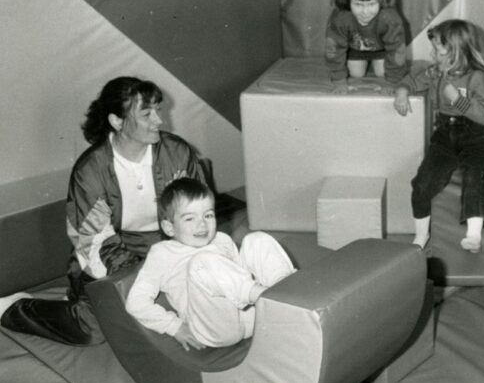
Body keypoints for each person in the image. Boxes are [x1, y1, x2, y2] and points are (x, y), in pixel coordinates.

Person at [0, 77, 207, 345]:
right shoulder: (91, 170)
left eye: (158, 109)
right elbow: (93, 242)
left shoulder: (177, 153)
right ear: (117, 121)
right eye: (147, 113)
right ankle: (14, 308)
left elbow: (198, 212)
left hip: (168, 247)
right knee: (93, 331)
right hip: (111, 255)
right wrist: (147, 278)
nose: (159, 120)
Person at [126, 178, 295, 349]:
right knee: (201, 262)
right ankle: (272, 299)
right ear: (169, 227)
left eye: (208, 215)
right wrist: (174, 327)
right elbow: (136, 303)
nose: (202, 224)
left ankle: (287, 293)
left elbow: (234, 279)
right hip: (215, 328)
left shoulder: (221, 240)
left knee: (256, 239)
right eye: (189, 219)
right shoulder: (161, 254)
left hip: (252, 315)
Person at [394, 20, 484, 253]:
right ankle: (421, 236)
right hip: (444, 135)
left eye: (438, 51)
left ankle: (473, 234)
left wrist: (458, 100)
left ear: (457, 53)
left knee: (475, 176)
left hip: (474, 135)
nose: (433, 55)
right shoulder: (435, 72)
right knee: (421, 183)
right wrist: (402, 91)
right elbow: (411, 80)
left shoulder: (478, 77)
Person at [325, 0, 409, 93]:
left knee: (382, 72)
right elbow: (333, 49)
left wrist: (392, 82)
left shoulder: (390, 18)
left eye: (371, 4)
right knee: (356, 74)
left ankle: (377, 62)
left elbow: (397, 50)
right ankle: (364, 62)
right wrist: (339, 81)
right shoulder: (340, 17)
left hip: (382, 49)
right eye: (358, 4)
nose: (365, 12)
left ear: (380, 0)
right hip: (355, 48)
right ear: (348, 0)